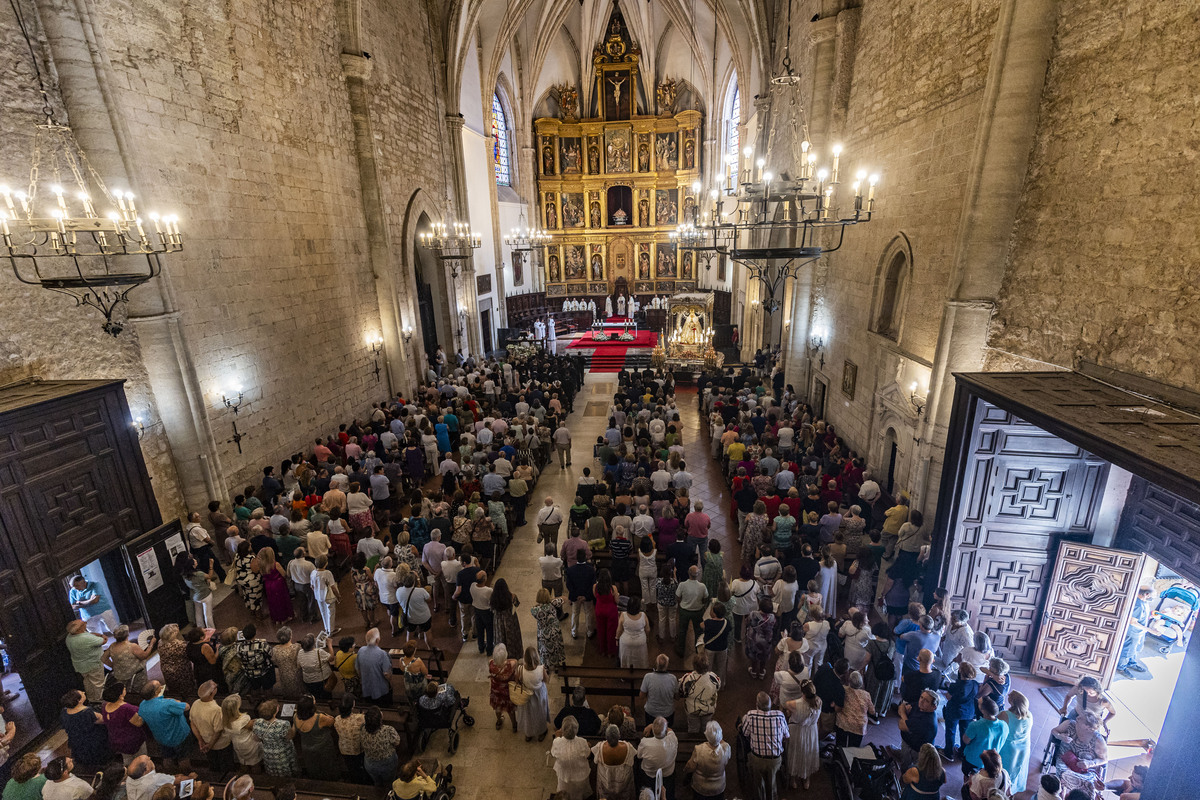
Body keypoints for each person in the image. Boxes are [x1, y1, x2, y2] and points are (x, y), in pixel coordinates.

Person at [740, 692, 789, 800]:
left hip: (757, 758)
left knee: (758, 784)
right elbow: (787, 735)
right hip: (775, 760)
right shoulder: (779, 715)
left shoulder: (750, 715)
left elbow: (745, 734)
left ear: (756, 704)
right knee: (772, 782)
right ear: (771, 704)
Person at [137, 682, 194, 769]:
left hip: (161, 738)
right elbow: (187, 707)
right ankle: (186, 777)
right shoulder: (168, 704)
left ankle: (170, 775)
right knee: (183, 758)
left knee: (167, 758)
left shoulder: (142, 705)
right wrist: (176, 701)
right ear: (156, 692)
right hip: (179, 737)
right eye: (159, 686)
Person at [59, 690, 112, 770]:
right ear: (78, 700)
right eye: (82, 693)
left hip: (75, 740)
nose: (84, 692)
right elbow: (102, 720)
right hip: (92, 739)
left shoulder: (64, 711)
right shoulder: (87, 712)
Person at [782, 680, 821, 790]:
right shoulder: (819, 701)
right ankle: (806, 778)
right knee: (808, 753)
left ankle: (793, 779)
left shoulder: (794, 704)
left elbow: (785, 704)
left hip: (798, 730)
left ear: (802, 691)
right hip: (812, 730)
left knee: (795, 752)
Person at [292, 694, 340, 780]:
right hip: (323, 747)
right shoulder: (319, 717)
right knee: (328, 766)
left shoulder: (295, 716)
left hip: (307, 748)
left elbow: (293, 732)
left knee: (313, 767)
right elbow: (332, 721)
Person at [961, 698, 1008, 781]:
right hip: (991, 762)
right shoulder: (1004, 725)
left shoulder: (975, 725)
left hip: (973, 759)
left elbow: (966, 740)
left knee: (968, 779)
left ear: (983, 710)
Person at [102, 625, 155, 695]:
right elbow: (144, 656)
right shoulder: (132, 646)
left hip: (120, 676)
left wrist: (113, 666)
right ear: (127, 634)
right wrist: (151, 644)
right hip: (136, 674)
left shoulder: (112, 646)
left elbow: (103, 658)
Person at [550, 716, 592, 800]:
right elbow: (588, 754)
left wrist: (557, 737)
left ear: (562, 729)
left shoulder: (557, 742)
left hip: (564, 778)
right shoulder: (582, 742)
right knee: (579, 794)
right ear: (576, 729)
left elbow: (553, 753)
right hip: (580, 777)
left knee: (564, 794)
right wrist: (588, 746)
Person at [65, 620, 107, 703]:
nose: (86, 624)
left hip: (80, 665)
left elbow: (87, 635)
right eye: (84, 623)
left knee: (87, 682)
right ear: (79, 629)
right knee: (98, 683)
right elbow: (103, 641)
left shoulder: (69, 637)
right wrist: (103, 635)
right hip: (93, 664)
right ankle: (100, 700)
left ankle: (92, 699)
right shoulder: (86, 638)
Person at [943, 662, 979, 759]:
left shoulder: (954, 686)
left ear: (960, 672)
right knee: (964, 731)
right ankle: (963, 752)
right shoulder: (975, 684)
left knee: (951, 731)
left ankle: (949, 752)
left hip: (954, 711)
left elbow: (948, 697)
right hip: (968, 712)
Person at [637, 717, 679, 800]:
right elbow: (669, 730)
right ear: (665, 730)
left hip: (649, 775)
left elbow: (638, 755)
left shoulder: (645, 742)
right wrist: (654, 726)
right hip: (668, 775)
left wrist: (652, 726)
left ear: (653, 730)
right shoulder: (672, 739)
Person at [360, 706, 402, 788]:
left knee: (377, 782)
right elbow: (397, 742)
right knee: (389, 783)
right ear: (379, 720)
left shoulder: (362, 729)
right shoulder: (388, 730)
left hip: (370, 763)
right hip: (387, 763)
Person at [897, 690, 941, 770]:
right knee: (904, 759)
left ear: (933, 707)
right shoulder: (920, 707)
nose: (921, 701)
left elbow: (901, 725)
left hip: (915, 750)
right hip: (908, 742)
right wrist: (905, 717)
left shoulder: (927, 721)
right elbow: (901, 707)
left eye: (926, 701)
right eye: (921, 697)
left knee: (910, 768)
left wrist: (904, 714)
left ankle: (904, 779)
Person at [999, 690, 1033, 793]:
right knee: (1018, 768)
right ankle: (1012, 791)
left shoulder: (1005, 715)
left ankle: (1002, 790)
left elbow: (997, 726)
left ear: (1013, 702)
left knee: (1004, 770)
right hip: (1023, 746)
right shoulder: (1029, 714)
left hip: (1009, 748)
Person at [253, 700, 297, 777]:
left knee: (273, 773)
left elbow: (257, 739)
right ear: (276, 711)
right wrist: (295, 724)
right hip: (282, 754)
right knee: (285, 773)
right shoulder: (283, 724)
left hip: (268, 753)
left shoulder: (257, 722)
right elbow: (290, 737)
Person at [680, 653, 721, 734]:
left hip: (692, 709)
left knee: (693, 728)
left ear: (694, 665)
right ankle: (704, 741)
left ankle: (693, 742)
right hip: (708, 709)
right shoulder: (714, 678)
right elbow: (718, 687)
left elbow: (682, 690)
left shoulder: (687, 678)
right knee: (705, 728)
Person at [515, 647, 550, 742]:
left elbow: (517, 682)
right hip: (539, 695)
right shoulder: (540, 669)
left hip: (527, 697)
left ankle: (528, 734)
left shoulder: (520, 669)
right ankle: (542, 731)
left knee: (528, 715)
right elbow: (546, 680)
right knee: (540, 713)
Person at [592, 725, 635, 800]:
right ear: (619, 736)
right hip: (623, 784)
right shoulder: (628, 747)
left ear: (606, 737)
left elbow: (594, 760)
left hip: (606, 783)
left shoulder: (599, 747)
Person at [676, 565, 710, 658]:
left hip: (685, 611)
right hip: (698, 611)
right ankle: (697, 649)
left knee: (682, 631)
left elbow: (678, 597)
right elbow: (706, 598)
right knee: (698, 631)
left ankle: (681, 650)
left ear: (688, 573)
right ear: (698, 575)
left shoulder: (682, 585)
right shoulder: (702, 586)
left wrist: (683, 603)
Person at [834, 671, 876, 747]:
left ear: (849, 681)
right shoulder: (866, 694)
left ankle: (838, 757)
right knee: (854, 748)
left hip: (843, 722)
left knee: (840, 745)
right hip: (859, 726)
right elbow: (872, 711)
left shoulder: (844, 690)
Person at [220, 694, 260, 770]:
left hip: (237, 744)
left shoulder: (224, 718)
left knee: (242, 761)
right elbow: (252, 727)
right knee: (254, 763)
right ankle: (256, 775)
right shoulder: (243, 719)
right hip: (248, 744)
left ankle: (244, 771)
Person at [639, 654, 679, 727]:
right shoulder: (673, 678)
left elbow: (641, 696)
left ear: (656, 664)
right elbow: (677, 697)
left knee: (651, 730)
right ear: (667, 665)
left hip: (651, 713)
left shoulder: (648, 677)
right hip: (667, 713)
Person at [357, 628, 394, 705]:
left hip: (366, 689)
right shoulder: (382, 654)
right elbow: (387, 673)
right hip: (381, 690)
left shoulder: (360, 651)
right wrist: (390, 682)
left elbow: (358, 669)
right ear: (377, 640)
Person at [744, 597, 777, 679]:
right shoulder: (772, 617)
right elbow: (774, 625)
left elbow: (747, 622)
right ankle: (762, 672)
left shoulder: (753, 614)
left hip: (754, 639)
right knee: (764, 656)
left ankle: (754, 671)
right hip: (766, 640)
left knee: (754, 655)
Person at [487, 644, 517, 732]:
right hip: (507, 692)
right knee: (510, 709)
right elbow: (515, 661)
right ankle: (514, 725)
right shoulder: (511, 664)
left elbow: (491, 664)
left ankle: (499, 722)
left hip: (496, 691)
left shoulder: (490, 663)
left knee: (497, 708)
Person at [310, 554, 340, 635]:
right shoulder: (327, 573)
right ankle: (331, 630)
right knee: (330, 612)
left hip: (318, 595)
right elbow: (333, 587)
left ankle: (326, 628)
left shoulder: (313, 572)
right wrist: (338, 596)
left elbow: (312, 586)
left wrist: (317, 592)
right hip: (328, 596)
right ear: (326, 563)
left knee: (323, 612)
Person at [595, 568, 621, 658]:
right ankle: (610, 652)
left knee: (601, 630)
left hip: (599, 609)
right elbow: (617, 601)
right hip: (610, 611)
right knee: (611, 632)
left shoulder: (595, 586)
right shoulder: (613, 588)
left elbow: (596, 596)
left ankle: (602, 650)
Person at [618, 596, 650, 669]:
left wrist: (617, 638)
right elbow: (647, 629)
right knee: (640, 658)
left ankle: (625, 673)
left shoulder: (623, 615)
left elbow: (619, 630)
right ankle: (640, 673)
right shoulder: (643, 615)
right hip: (640, 640)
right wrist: (647, 637)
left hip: (626, 641)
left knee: (626, 658)